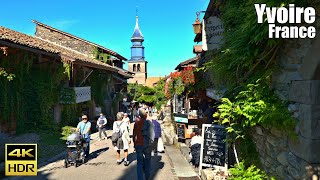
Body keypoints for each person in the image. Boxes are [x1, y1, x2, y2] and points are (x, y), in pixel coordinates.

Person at [133, 109, 154, 180]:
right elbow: (152, 135)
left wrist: (134, 144)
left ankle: (140, 178)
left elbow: (134, 135)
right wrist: (152, 145)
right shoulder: (149, 123)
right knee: (147, 161)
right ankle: (147, 176)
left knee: (139, 163)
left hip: (139, 144)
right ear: (146, 115)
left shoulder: (136, 123)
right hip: (147, 144)